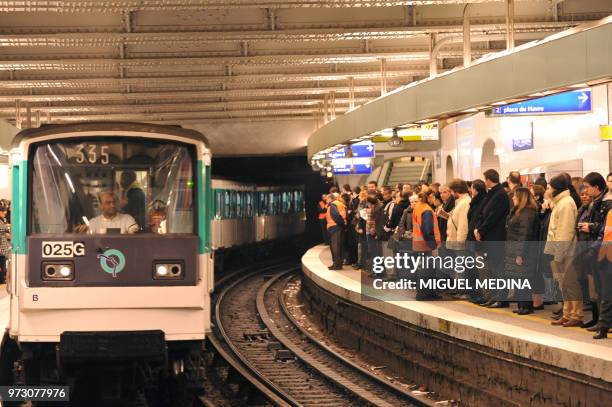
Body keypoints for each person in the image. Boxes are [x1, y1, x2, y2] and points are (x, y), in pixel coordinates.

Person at [545, 175, 581, 327]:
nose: (547, 190)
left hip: (567, 251)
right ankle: (567, 313)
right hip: (558, 250)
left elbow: (565, 232)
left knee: (570, 283)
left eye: (549, 187)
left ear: (555, 188)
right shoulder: (559, 203)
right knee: (563, 284)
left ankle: (576, 315)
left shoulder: (566, 203)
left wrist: (559, 254)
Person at [475, 169, 511, 308]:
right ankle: (495, 296)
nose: (484, 182)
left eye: (485, 179)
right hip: (489, 237)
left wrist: (481, 230)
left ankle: (502, 298)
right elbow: (483, 213)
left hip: (497, 237)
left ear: (489, 179)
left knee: (498, 269)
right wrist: (478, 229)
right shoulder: (492, 193)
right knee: (492, 269)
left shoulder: (501, 194)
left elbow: (493, 216)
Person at [579, 172, 611, 329]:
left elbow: (604, 229)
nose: (585, 191)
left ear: (596, 187)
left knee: (603, 287)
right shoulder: (595, 202)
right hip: (594, 247)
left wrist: (590, 227)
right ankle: (598, 319)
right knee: (596, 287)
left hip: (603, 250)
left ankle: (603, 322)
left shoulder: (607, 203)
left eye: (587, 187)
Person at [504, 188, 540, 315]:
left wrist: (520, 254)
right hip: (514, 249)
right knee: (518, 278)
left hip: (524, 251)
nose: (513, 198)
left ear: (521, 198)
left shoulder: (527, 213)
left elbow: (525, 235)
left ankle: (526, 306)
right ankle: (521, 305)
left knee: (523, 278)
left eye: (515, 196)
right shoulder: (519, 211)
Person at [467, 179, 488, 304]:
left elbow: (476, 220)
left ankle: (480, 293)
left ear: (475, 190)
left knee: (478, 268)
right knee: (475, 268)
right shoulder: (476, 201)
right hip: (472, 237)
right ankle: (476, 292)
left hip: (476, 238)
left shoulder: (480, 202)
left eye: (472, 188)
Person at [593, 209, 612, 339]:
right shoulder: (610, 212)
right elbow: (605, 234)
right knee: (606, 294)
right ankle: (603, 327)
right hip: (607, 256)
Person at [365, 194, 385, 277]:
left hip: (374, 234)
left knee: (376, 254)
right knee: (374, 253)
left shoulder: (378, 208)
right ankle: (375, 271)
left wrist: (375, 232)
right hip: (371, 233)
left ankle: (378, 272)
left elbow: (378, 222)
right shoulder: (375, 207)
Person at [326, 193, 347, 271]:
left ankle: (337, 264)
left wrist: (341, 224)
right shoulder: (338, 204)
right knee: (338, 246)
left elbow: (336, 216)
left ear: (330, 199)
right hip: (337, 227)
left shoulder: (333, 205)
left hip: (335, 228)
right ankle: (337, 264)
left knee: (336, 247)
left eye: (327, 199)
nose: (326, 201)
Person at [0, 206, 10, 284]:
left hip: (3, 245)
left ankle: (2, 278)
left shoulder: (2, 220)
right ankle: (1, 279)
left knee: (3, 262)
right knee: (1, 263)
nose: (5, 213)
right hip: (1, 246)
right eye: (4, 212)